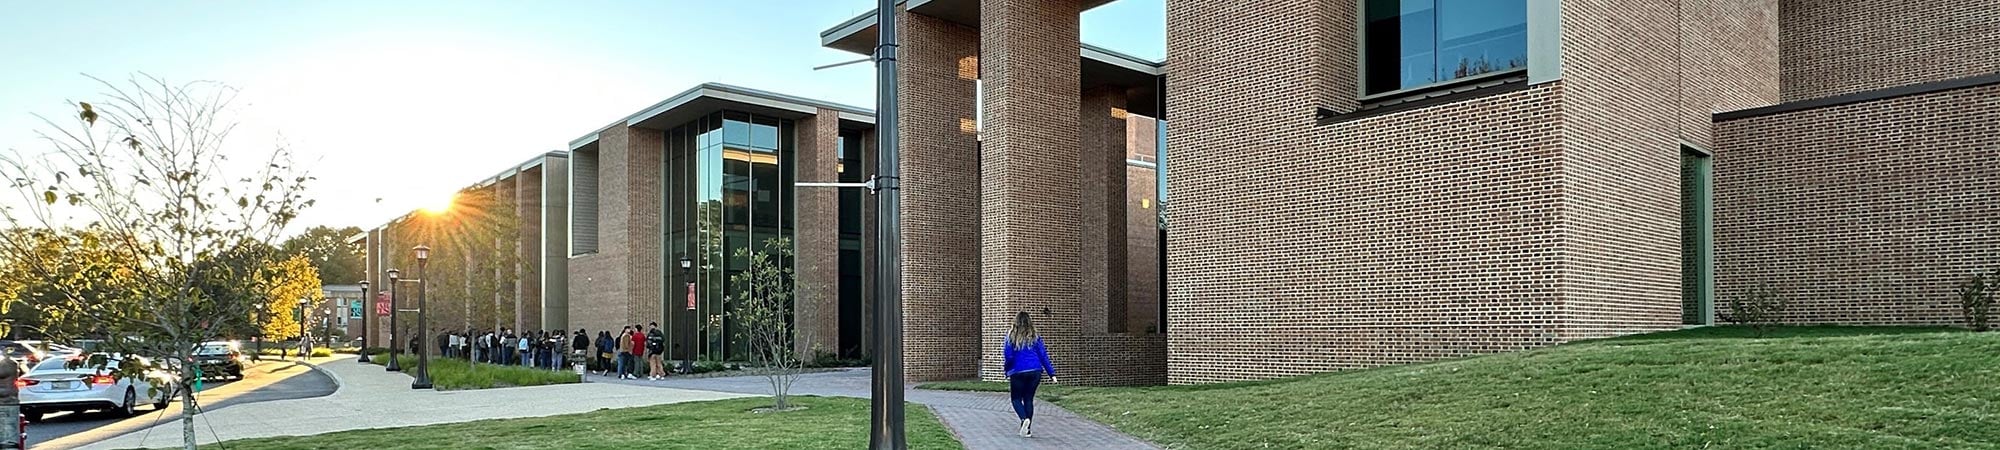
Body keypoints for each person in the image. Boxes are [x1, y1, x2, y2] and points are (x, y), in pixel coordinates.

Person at [1003, 311, 1056, 438]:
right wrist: (1051, 373)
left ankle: (1024, 419)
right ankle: (1027, 429)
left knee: (1016, 399)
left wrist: (1007, 369)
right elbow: (1043, 356)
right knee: (1028, 399)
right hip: (1035, 371)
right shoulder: (1035, 337)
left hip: (1018, 371)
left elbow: (1008, 356)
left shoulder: (1011, 336)